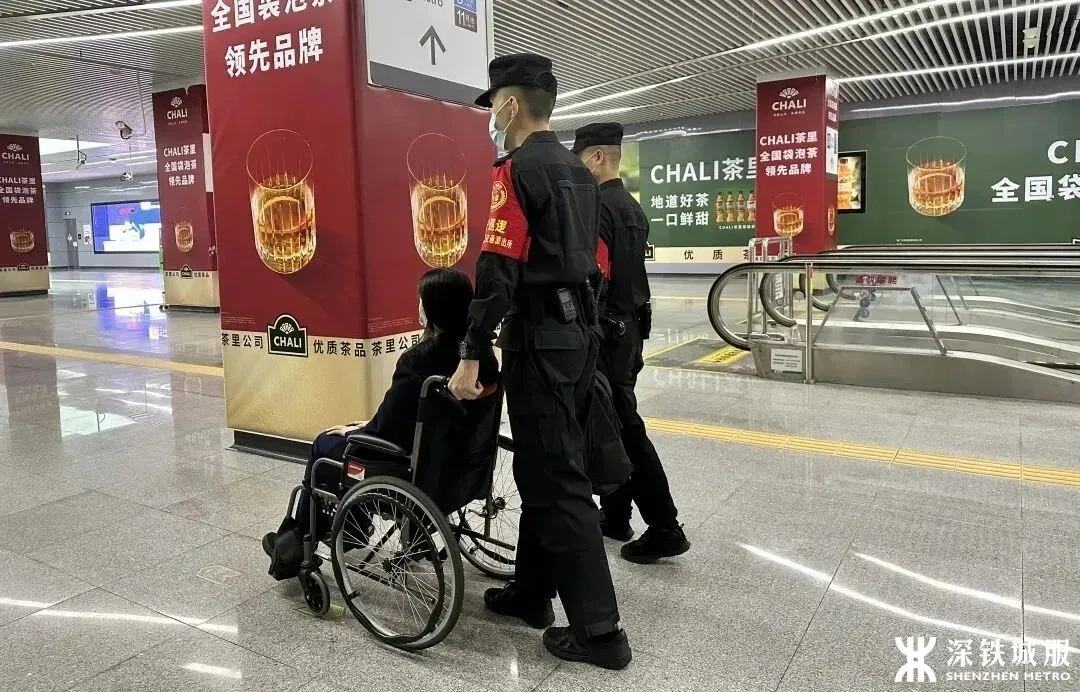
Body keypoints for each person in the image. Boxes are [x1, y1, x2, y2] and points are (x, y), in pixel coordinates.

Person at [449, 54, 631, 670]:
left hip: (540, 341)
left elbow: (498, 270)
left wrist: (472, 352)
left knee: (558, 481)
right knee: (542, 468)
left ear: (509, 105)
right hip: (578, 337)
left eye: (493, 105)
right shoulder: (579, 172)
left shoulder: (518, 170)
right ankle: (531, 592)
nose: (491, 118)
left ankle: (601, 632)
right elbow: (595, 263)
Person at [263, 267, 498, 554]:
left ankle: (301, 543)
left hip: (413, 469)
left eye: (420, 300)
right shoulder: (482, 358)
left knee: (324, 445)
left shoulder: (417, 360)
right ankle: (352, 528)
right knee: (350, 443)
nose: (418, 306)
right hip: (463, 466)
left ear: (434, 308)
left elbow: (387, 428)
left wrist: (359, 430)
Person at [572, 122, 690, 564]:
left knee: (624, 426)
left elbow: (596, 280)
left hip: (607, 334)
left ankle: (665, 527)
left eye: (580, 160)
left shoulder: (598, 207)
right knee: (612, 421)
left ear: (597, 157)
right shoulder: (631, 207)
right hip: (630, 331)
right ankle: (616, 515)